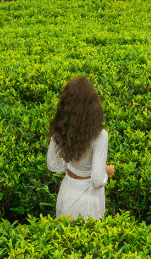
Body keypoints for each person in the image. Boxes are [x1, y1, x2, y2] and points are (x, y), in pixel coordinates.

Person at [46, 77, 115, 220]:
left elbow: (52, 164)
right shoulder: (100, 135)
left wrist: (74, 169)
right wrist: (106, 171)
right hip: (89, 200)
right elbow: (97, 180)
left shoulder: (60, 128)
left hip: (66, 194)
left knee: (63, 233)